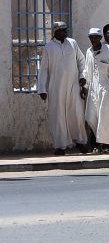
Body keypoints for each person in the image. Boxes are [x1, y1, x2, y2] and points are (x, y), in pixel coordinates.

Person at [38, 21, 89, 156]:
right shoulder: (49, 47)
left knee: (77, 114)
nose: (64, 33)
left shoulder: (72, 43)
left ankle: (80, 142)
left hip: (73, 85)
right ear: (55, 32)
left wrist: (82, 76)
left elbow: (81, 61)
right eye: (61, 30)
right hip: (56, 87)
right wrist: (42, 89)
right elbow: (43, 69)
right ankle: (60, 146)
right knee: (58, 116)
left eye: (65, 30)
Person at [83, 27, 109, 153]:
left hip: (107, 88)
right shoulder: (88, 52)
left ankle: (103, 145)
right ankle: (100, 142)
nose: (93, 40)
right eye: (91, 37)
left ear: (100, 38)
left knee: (105, 117)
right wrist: (84, 86)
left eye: (95, 37)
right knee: (91, 116)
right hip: (93, 89)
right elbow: (86, 71)